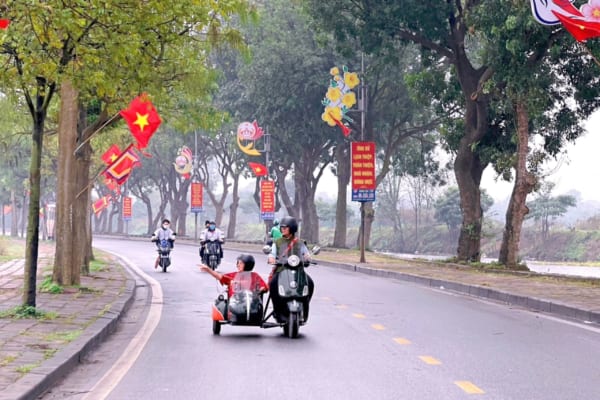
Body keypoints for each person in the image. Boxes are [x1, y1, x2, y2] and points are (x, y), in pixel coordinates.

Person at [267, 216, 314, 321]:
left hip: (299, 271)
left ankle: (304, 308)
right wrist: (271, 259)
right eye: (282, 227)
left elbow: (306, 254)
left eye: (285, 227)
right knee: (273, 284)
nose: (283, 229)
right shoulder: (277, 242)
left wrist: (308, 258)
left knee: (310, 283)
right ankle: (277, 311)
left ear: (292, 228)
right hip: (281, 271)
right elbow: (272, 254)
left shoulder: (300, 242)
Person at [200, 254, 268, 297]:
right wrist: (209, 270)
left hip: (251, 303)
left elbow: (264, 287)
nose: (238, 265)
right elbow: (220, 276)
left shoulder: (255, 276)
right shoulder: (233, 275)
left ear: (247, 264)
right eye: (238, 263)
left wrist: (259, 291)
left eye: (241, 263)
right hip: (235, 304)